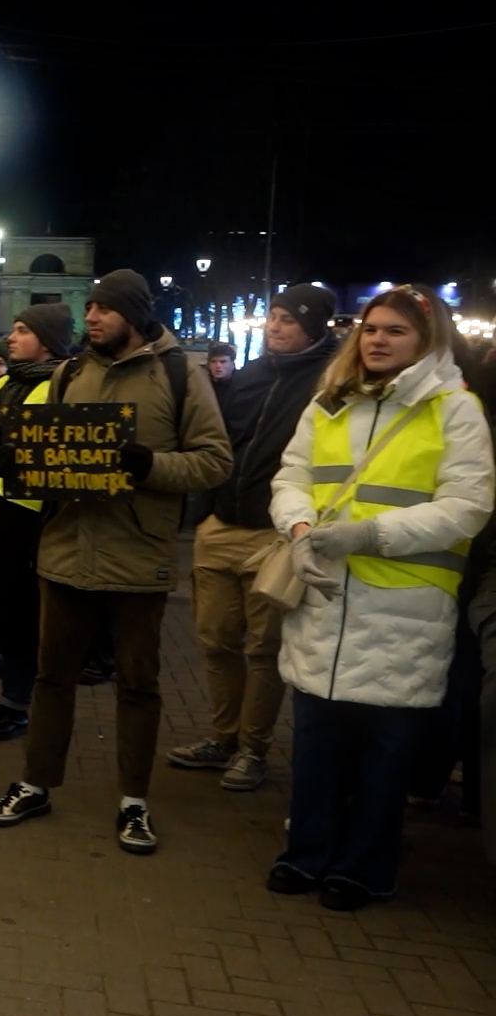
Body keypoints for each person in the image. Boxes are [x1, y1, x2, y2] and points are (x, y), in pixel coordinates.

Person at [0, 269, 232, 854]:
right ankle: (36, 783)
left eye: (105, 309)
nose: (91, 317)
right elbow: (50, 459)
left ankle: (133, 801)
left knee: (139, 686)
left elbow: (215, 461)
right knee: (51, 677)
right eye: (89, 307)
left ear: (135, 316)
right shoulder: (70, 373)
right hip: (66, 547)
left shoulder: (178, 374)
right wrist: (19, 463)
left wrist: (148, 466)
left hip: (137, 554)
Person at [266, 284, 493, 910]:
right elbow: (291, 476)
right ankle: (307, 853)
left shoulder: (454, 410)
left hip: (406, 606)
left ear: (427, 340)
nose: (378, 340)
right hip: (326, 596)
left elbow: (468, 507)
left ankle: (365, 868)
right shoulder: (330, 404)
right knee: (316, 745)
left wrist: (371, 534)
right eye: (371, 328)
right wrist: (301, 527)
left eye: (395, 331)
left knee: (384, 756)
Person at [165, 284, 338, 790]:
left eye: (289, 319)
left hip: (274, 533)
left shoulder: (329, 382)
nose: (276, 326)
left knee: (264, 649)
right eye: (274, 317)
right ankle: (223, 738)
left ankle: (252, 748)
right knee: (215, 639)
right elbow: (218, 445)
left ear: (314, 326)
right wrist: (203, 512)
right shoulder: (250, 376)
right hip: (220, 525)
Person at [0, 304, 74, 741]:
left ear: (46, 341)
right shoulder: (3, 384)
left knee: (20, 619)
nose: (11, 338)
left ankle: (14, 705)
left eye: (22, 331)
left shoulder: (64, 387)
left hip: (32, 523)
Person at [207, 341, 237, 406]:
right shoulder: (204, 385)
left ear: (232, 364)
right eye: (213, 361)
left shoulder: (241, 386)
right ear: (209, 365)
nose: (218, 366)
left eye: (223, 362)